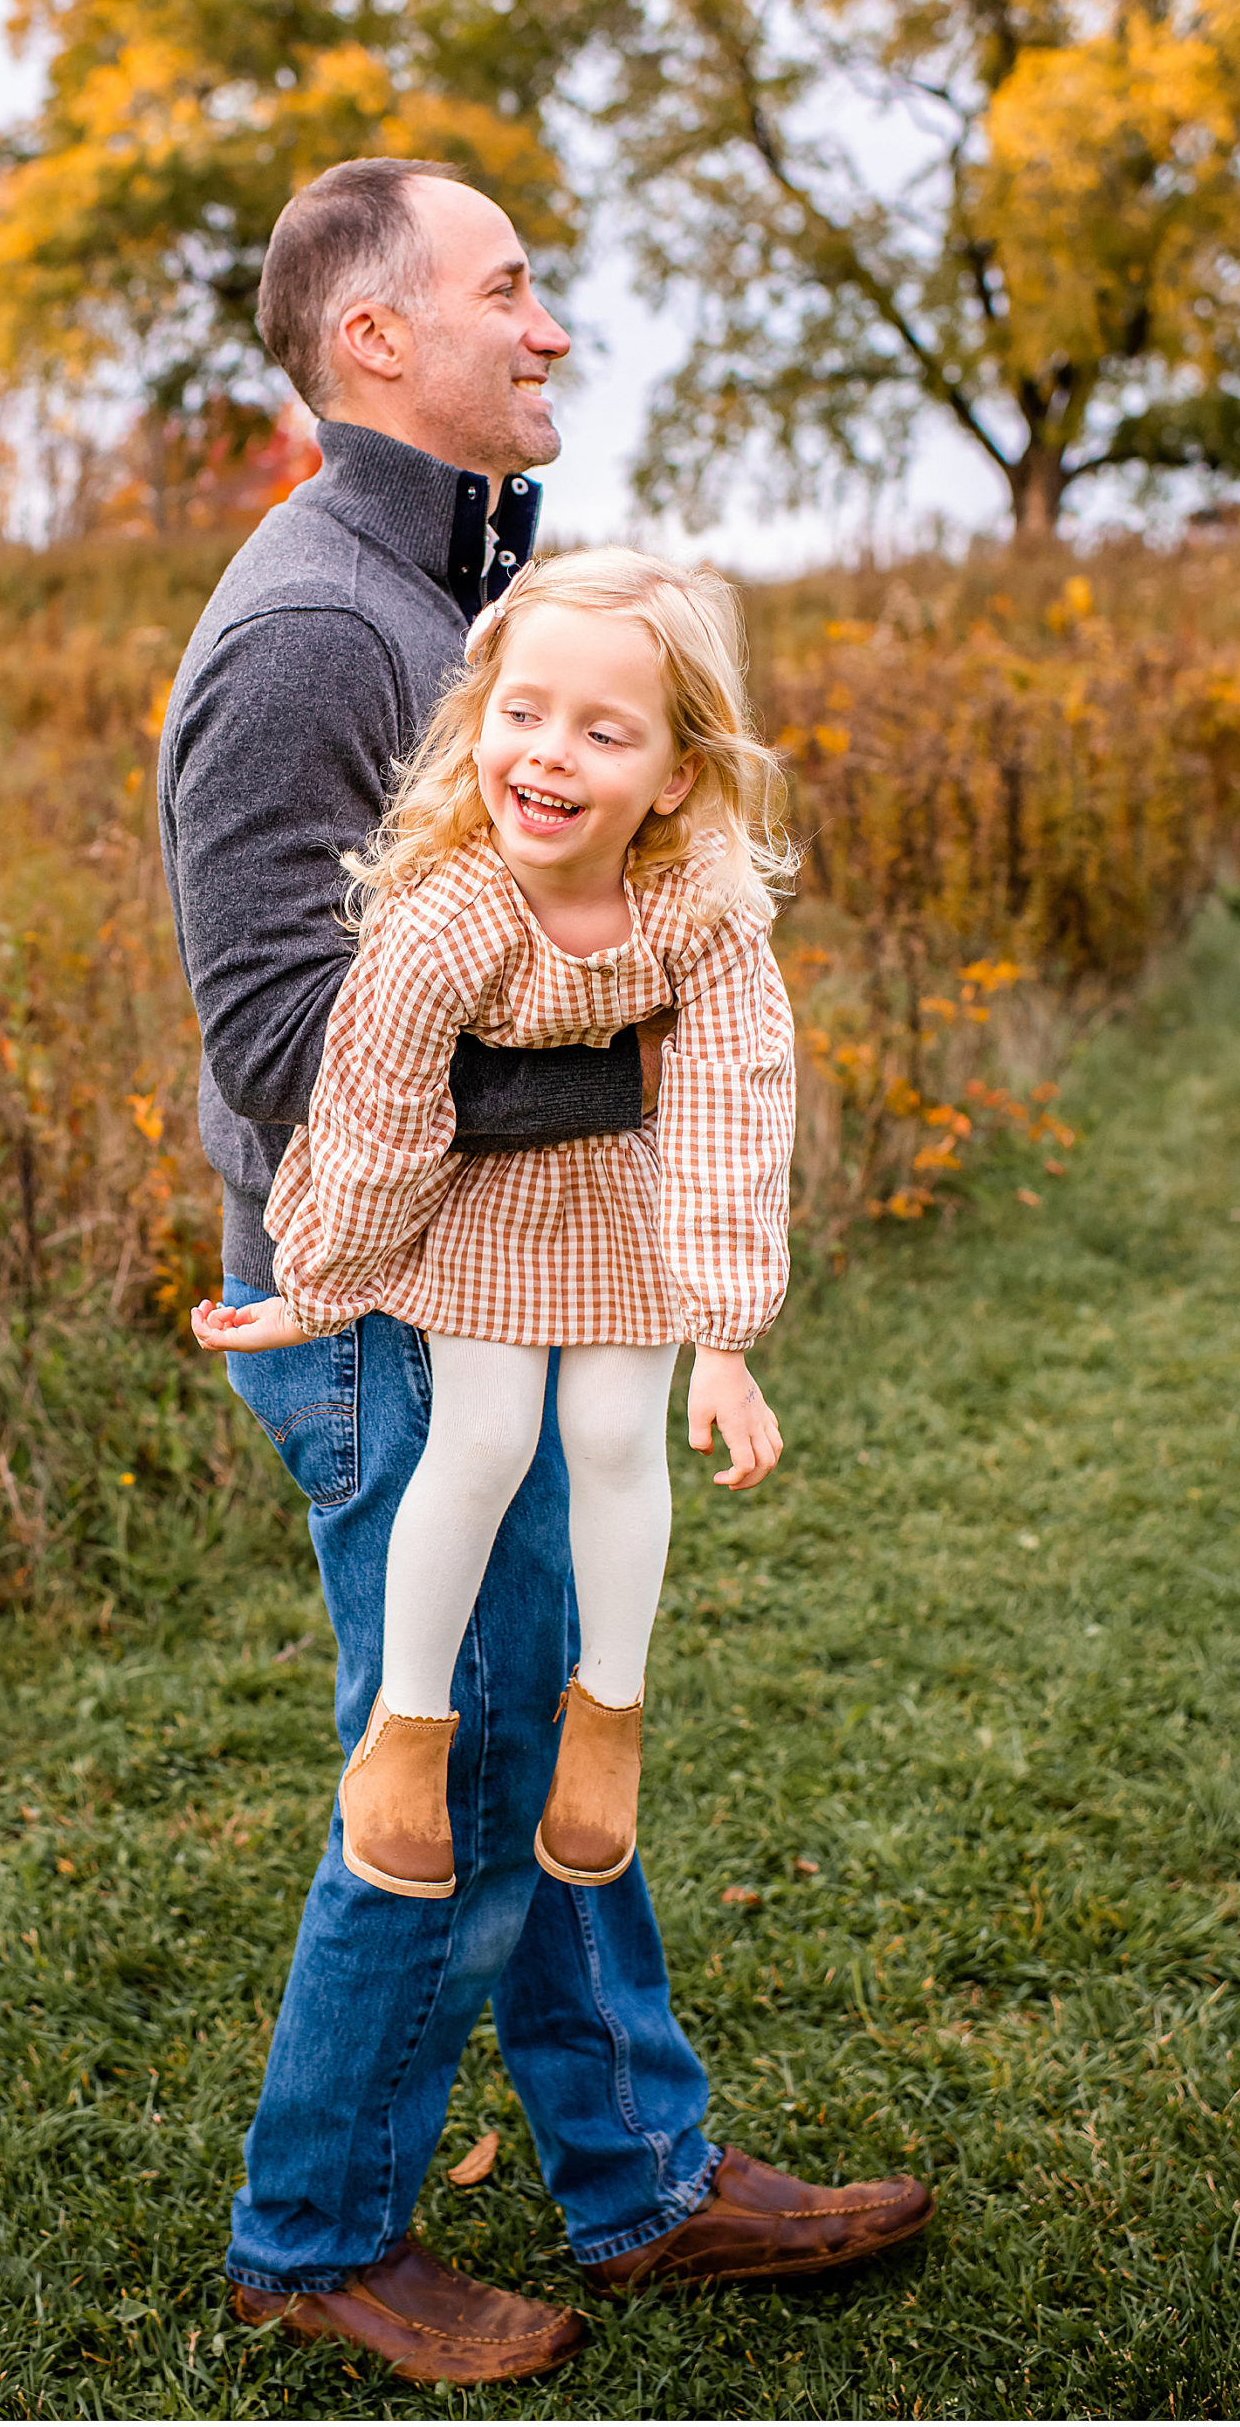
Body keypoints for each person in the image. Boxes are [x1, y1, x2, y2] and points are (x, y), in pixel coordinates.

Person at [156, 157, 934, 2390]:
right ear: (375, 337)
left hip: (523, 1282)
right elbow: (285, 1042)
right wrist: (635, 1065)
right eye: (509, 287)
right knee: (454, 1761)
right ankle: (317, 2233)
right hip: (387, 1305)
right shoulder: (317, 631)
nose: (552, 325)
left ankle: (642, 2177)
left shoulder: (482, 607)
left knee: (548, 1735)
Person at [191, 549, 794, 1914]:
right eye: (524, 712)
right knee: (482, 1439)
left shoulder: (699, 913)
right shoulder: (447, 916)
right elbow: (377, 1111)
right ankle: (408, 1728)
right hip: (478, 1212)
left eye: (604, 732)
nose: (551, 752)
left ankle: (610, 1716)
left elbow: (732, 1104)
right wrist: (318, 1285)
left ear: (676, 775)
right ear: (482, 720)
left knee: (614, 1438)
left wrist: (728, 1336)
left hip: (626, 1208)